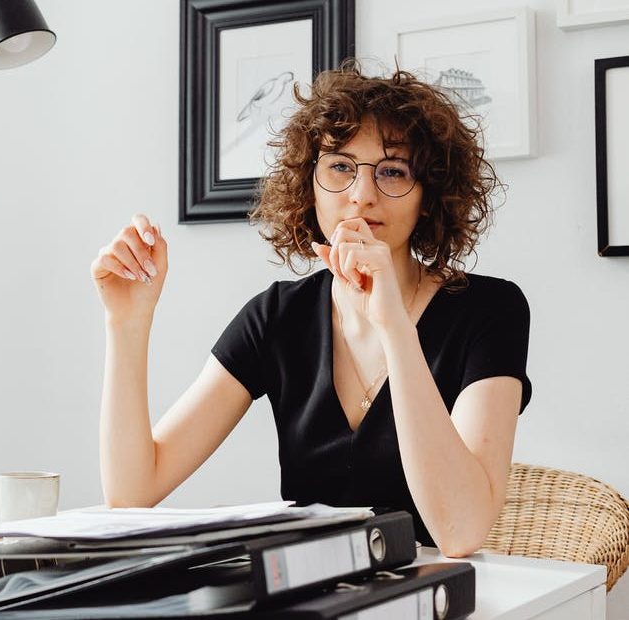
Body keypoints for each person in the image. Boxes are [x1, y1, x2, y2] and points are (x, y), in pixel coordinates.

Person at [90, 63, 531, 557]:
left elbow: (461, 531)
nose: (362, 194)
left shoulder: (490, 310)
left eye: (393, 171)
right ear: (310, 187)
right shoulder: (277, 316)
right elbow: (132, 491)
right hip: (312, 596)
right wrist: (127, 323)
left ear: (428, 197)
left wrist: (392, 323)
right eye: (340, 166)